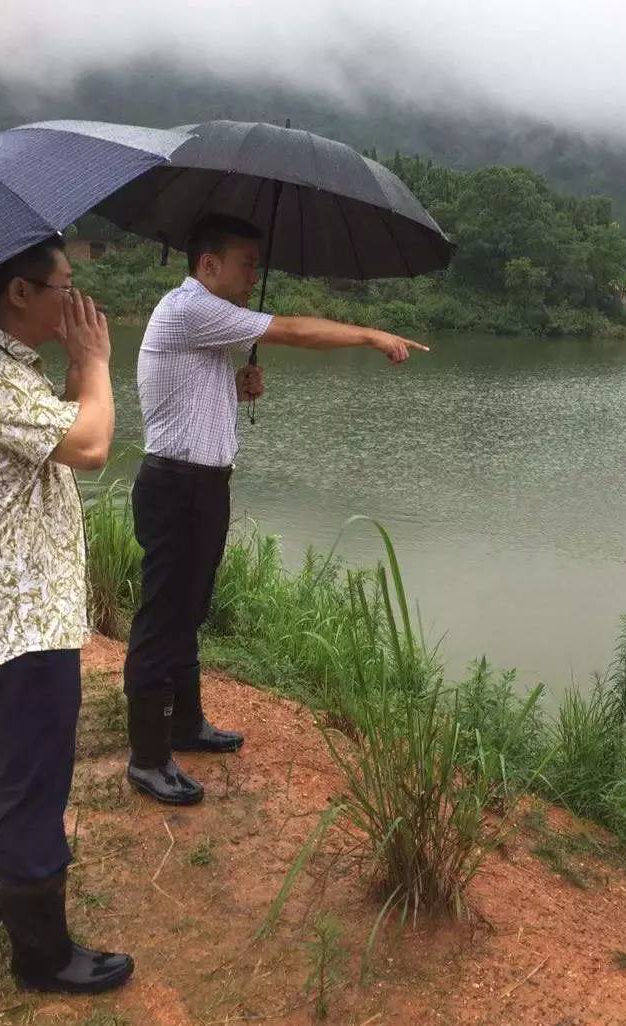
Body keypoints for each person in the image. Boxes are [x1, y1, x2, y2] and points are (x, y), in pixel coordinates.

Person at [123, 213, 428, 805]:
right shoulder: (190, 308)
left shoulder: (203, 324)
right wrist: (369, 334)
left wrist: (237, 386)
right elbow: (292, 329)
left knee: (189, 609)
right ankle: (147, 757)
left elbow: (184, 394)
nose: (252, 275)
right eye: (246, 263)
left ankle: (183, 725)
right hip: (177, 487)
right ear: (207, 265)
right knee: (163, 618)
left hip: (202, 485)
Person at [0, 236, 134, 994]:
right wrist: (95, 363)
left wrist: (72, 373)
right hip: (23, 622)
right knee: (30, 782)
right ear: (19, 293)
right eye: (63, 285)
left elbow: (48, 433)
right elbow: (90, 443)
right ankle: (43, 955)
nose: (75, 301)